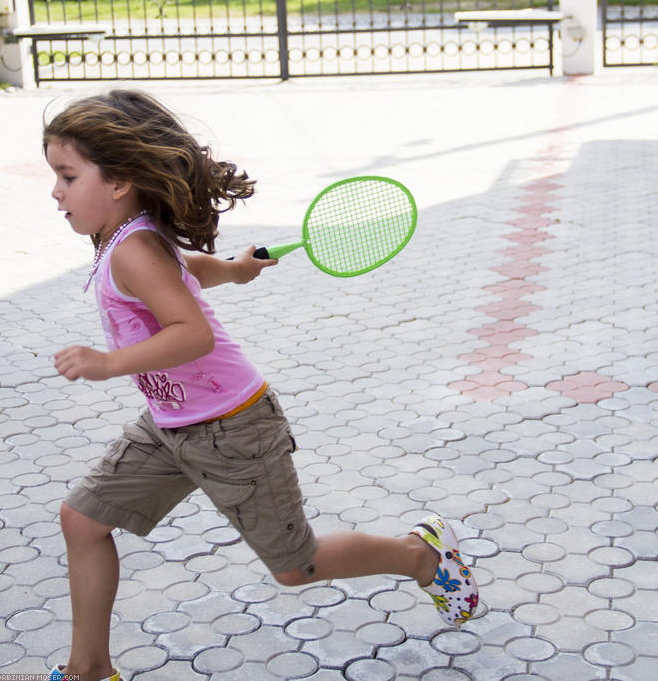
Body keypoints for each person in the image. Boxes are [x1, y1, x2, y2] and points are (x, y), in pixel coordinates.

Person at [43, 89, 479, 681]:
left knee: (296, 567)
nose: (56, 192)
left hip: (233, 429)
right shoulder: (129, 235)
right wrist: (235, 269)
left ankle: (422, 554)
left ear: (119, 181)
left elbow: (191, 334)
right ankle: (87, 670)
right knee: (83, 520)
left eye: (67, 176)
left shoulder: (134, 248)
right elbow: (185, 267)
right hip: (172, 423)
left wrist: (106, 362)